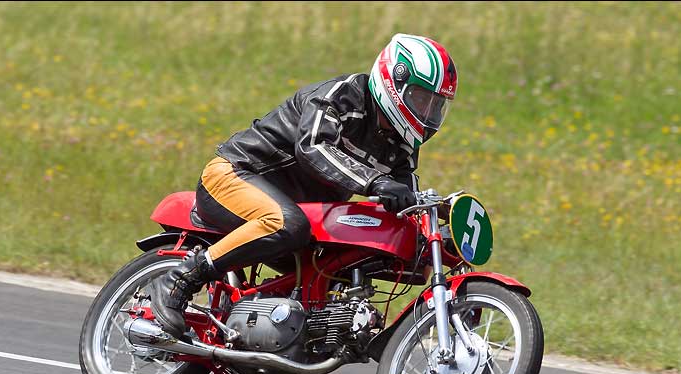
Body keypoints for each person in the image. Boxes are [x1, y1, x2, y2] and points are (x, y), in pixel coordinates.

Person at [151, 33, 458, 340]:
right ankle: (180, 279)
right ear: (395, 81)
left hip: (297, 211)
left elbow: (403, 192)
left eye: (436, 105)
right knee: (286, 225)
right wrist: (375, 182)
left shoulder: (401, 145)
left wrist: (425, 224)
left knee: (337, 260)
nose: (428, 113)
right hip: (236, 174)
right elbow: (312, 147)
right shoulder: (342, 96)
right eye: (421, 99)